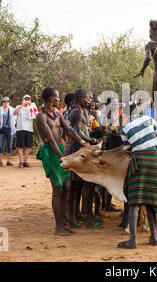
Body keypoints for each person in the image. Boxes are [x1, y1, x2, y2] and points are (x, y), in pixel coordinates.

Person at [35, 87, 86, 236]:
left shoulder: (57, 114)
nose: (59, 100)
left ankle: (63, 222)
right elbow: (49, 139)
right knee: (58, 189)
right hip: (52, 153)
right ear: (50, 99)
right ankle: (58, 227)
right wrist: (60, 157)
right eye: (57, 98)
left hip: (61, 151)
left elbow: (69, 130)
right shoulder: (41, 116)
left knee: (67, 186)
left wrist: (82, 141)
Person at [117, 105, 157, 249]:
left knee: (134, 202)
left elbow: (128, 150)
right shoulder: (149, 119)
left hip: (139, 162)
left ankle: (132, 240)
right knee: (150, 200)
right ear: (137, 112)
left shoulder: (124, 129)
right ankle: (154, 236)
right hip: (154, 162)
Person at [67, 89, 101, 228]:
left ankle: (77, 214)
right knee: (86, 184)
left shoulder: (82, 111)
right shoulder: (77, 112)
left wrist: (90, 139)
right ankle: (85, 217)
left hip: (81, 148)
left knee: (79, 185)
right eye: (88, 98)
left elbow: (81, 131)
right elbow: (75, 132)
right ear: (82, 99)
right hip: (78, 150)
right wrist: (91, 140)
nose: (90, 100)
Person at [13, 95, 38, 168]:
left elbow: (36, 114)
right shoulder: (19, 106)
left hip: (29, 129)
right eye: (25, 99)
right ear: (22, 99)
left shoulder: (32, 107)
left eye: (28, 99)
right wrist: (22, 105)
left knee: (28, 146)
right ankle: (20, 162)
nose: (27, 100)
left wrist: (30, 105)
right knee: (20, 146)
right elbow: (14, 113)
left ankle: (25, 161)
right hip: (20, 128)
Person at [0, 97, 16, 166]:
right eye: (4, 102)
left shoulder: (12, 109)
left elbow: (15, 117)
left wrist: (14, 123)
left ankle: (8, 161)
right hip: (1, 129)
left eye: (7, 102)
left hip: (10, 129)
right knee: (0, 145)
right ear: (2, 103)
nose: (6, 103)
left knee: (9, 145)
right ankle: (0, 161)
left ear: (9, 102)